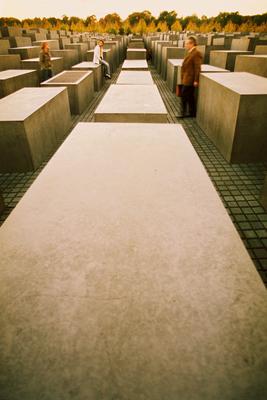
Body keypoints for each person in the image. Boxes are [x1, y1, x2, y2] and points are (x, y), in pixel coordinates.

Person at [177, 36, 202, 118]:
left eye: (187, 44)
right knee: (190, 97)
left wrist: (196, 80)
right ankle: (192, 113)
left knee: (184, 96)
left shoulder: (196, 53)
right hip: (186, 78)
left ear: (192, 43)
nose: (185, 45)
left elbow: (197, 67)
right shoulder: (190, 52)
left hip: (190, 79)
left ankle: (182, 113)